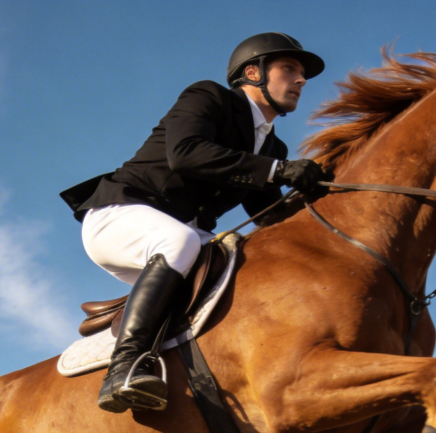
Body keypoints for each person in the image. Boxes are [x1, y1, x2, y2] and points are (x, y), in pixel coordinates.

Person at [61, 32, 330, 413]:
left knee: (248, 268)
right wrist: (278, 171)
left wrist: (323, 199)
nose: (301, 80)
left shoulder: (273, 147)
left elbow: (267, 216)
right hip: (119, 215)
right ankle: (126, 367)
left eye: (302, 74)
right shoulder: (209, 97)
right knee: (181, 242)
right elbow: (186, 154)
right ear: (252, 72)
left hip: (182, 236)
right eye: (290, 69)